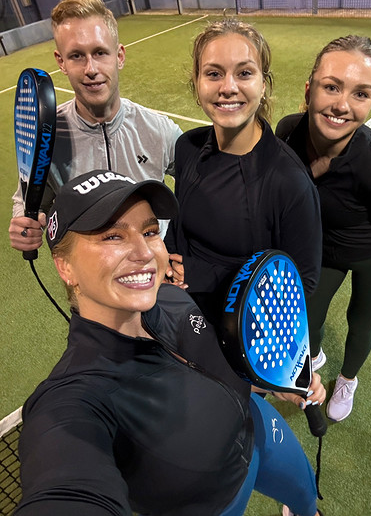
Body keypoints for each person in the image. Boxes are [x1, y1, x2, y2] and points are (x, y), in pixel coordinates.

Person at [15, 169, 325, 516]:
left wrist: (266, 377)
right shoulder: (72, 400)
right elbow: (66, 482)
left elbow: (211, 369)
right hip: (212, 506)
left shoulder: (168, 297)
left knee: (307, 506)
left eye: (149, 231)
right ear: (64, 266)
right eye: (112, 237)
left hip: (261, 431)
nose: (144, 252)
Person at [276, 35, 371, 422]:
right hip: (326, 246)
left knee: (361, 322)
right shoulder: (287, 133)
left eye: (361, 94)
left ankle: (347, 379)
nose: (343, 105)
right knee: (305, 318)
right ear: (309, 89)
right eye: (331, 87)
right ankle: (314, 358)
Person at [164, 18, 322, 328]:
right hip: (183, 315)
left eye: (244, 73)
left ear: (263, 85)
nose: (228, 87)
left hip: (243, 333)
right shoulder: (187, 147)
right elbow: (180, 225)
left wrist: (206, 276)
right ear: (197, 82)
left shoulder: (289, 182)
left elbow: (303, 283)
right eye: (213, 74)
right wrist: (165, 258)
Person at [9, 0, 182, 252]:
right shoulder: (48, 135)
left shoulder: (159, 130)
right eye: (77, 56)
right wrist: (24, 222)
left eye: (100, 52)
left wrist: (182, 245)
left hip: (151, 268)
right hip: (89, 278)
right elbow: (29, 200)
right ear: (61, 62)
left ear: (119, 56)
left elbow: (200, 182)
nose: (91, 69)